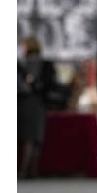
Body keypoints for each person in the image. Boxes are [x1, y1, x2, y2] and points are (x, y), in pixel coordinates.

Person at [18, 36, 56, 179]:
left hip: (25, 103)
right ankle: (32, 169)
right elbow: (50, 83)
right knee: (36, 137)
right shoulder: (45, 64)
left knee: (28, 137)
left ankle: (24, 170)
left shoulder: (23, 64)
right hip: (39, 103)